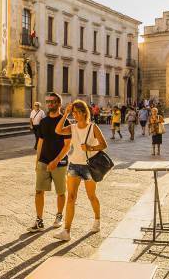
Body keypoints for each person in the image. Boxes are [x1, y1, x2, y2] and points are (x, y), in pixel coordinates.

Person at [52, 99, 107, 241]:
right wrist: (65, 114)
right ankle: (67, 231)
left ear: (84, 113)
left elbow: (103, 144)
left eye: (76, 112)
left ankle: (97, 220)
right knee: (71, 197)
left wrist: (91, 148)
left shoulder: (93, 127)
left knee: (91, 196)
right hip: (74, 165)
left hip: (89, 166)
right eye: (73, 112)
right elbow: (58, 130)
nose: (74, 115)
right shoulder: (73, 127)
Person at [29, 92, 71, 232]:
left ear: (59, 104)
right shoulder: (44, 121)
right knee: (38, 191)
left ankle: (59, 216)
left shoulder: (65, 121)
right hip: (43, 161)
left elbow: (67, 146)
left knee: (60, 192)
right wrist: (37, 161)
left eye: (53, 101)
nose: (49, 104)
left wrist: (56, 161)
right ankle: (39, 220)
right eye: (48, 101)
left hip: (59, 163)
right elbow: (40, 141)